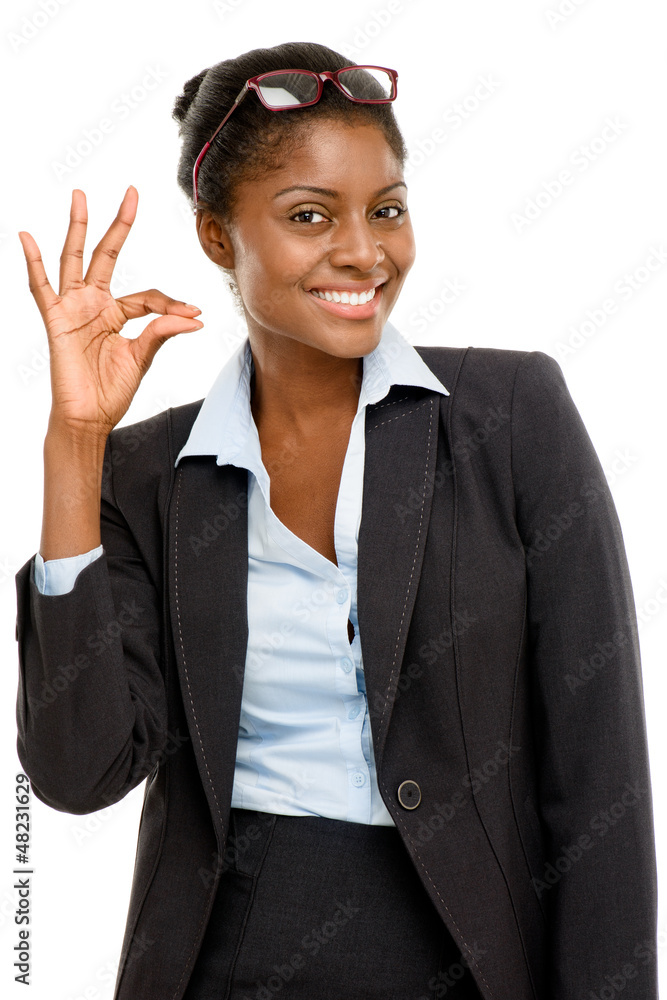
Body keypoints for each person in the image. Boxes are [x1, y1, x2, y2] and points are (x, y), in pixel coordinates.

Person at [14, 41, 658, 1000]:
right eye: (309, 216)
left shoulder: (511, 415)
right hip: (222, 959)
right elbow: (79, 773)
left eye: (385, 210)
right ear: (217, 236)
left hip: (474, 956)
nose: (363, 251)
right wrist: (76, 442)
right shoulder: (148, 472)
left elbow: (598, 773)